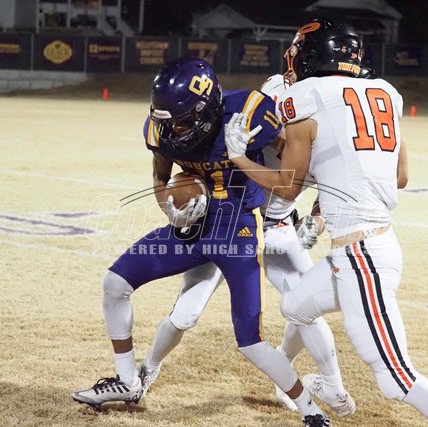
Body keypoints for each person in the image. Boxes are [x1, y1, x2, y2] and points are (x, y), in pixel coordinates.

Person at [224, 19, 428, 427]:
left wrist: (239, 157)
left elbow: (287, 186)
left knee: (397, 380)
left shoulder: (304, 95)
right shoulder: (386, 93)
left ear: (313, 55)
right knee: (295, 306)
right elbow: (400, 176)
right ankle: (326, 386)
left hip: (362, 255)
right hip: (369, 245)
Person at [72, 57, 331, 427]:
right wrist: (171, 211)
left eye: (180, 121)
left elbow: (295, 160)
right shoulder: (161, 130)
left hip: (239, 231)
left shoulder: (248, 112)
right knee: (115, 283)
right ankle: (128, 381)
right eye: (166, 121)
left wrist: (307, 212)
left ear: (205, 111)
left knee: (250, 340)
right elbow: (161, 180)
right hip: (194, 229)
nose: (171, 130)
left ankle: (311, 409)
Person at [137, 73, 356, 418]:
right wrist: (175, 206)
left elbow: (331, 189)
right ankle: (148, 367)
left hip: (278, 228)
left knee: (306, 309)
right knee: (186, 314)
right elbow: (176, 170)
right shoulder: (252, 120)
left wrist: (316, 222)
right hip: (226, 225)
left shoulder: (319, 137)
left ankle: (330, 386)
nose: (282, 118)